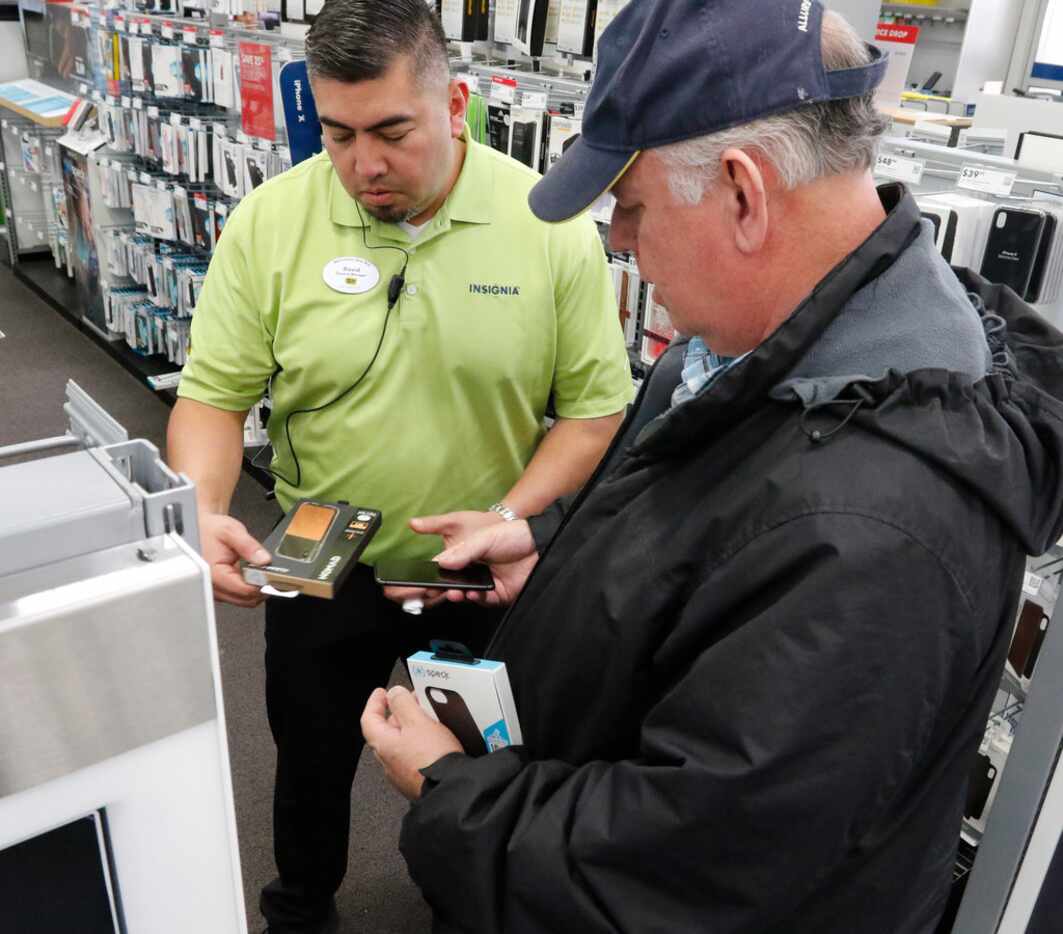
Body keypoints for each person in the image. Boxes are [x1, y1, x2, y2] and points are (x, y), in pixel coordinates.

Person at [361, 2, 1063, 932]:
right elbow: (699, 533)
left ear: (742, 192)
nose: (618, 240)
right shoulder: (762, 349)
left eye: (632, 204)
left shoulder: (870, 533)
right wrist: (551, 556)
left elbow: (683, 873)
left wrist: (450, 789)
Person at [166, 0, 633, 929]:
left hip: (479, 574)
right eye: (337, 134)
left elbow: (593, 412)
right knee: (306, 755)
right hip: (316, 549)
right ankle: (300, 904)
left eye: (390, 131)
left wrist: (515, 513)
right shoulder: (272, 220)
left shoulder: (548, 223)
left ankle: (463, 906)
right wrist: (201, 507)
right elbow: (211, 397)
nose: (362, 166)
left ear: (454, 103)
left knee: (478, 768)